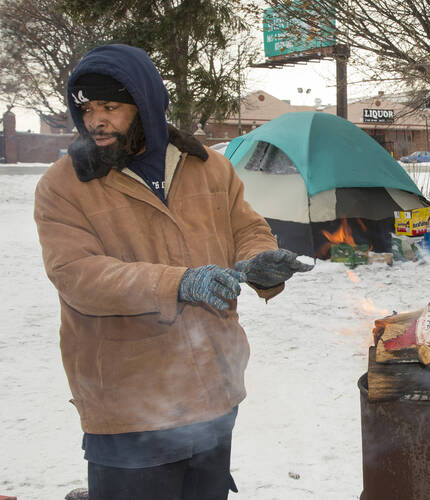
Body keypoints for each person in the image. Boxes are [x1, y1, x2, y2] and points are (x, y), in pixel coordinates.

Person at [33, 44, 313, 500]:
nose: (96, 120)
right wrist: (178, 283)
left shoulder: (208, 167)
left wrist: (257, 261)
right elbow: (77, 275)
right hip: (129, 400)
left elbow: (247, 227)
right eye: (86, 108)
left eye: (110, 107)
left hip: (213, 389)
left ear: (144, 105)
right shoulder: (64, 186)